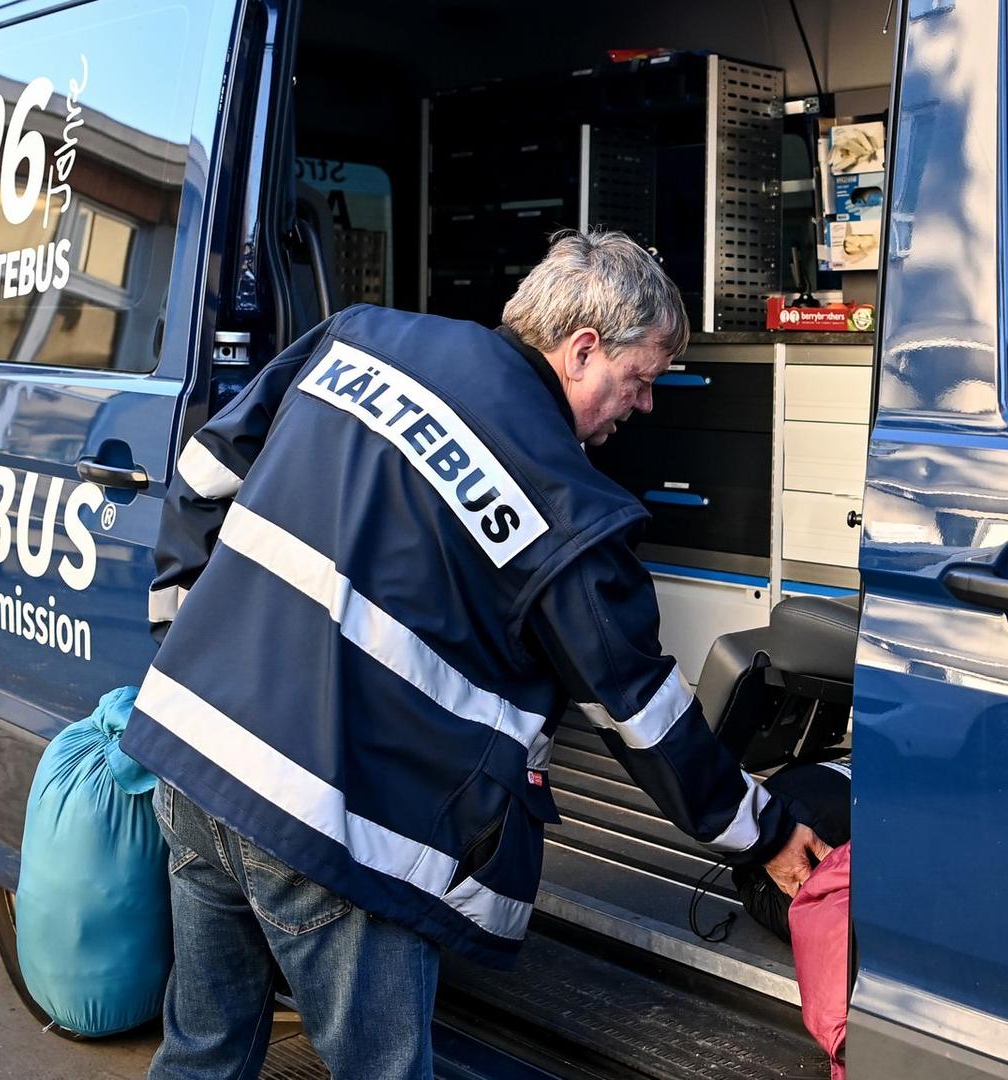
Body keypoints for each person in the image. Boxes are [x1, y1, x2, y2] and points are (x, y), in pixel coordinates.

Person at [119, 230, 831, 1078]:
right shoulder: (564, 502)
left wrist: (183, 649)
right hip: (333, 825)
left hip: (194, 764)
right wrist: (766, 832)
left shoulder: (356, 337)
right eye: (639, 380)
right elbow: (641, 712)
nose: (642, 407)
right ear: (583, 348)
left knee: (203, 1053)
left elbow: (200, 478)